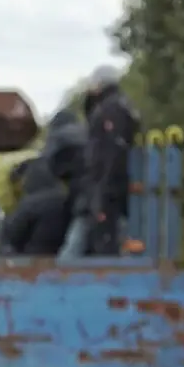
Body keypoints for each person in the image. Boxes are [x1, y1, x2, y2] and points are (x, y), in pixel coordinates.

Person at [59, 65, 141, 258]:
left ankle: (62, 274)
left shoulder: (109, 110)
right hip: (108, 188)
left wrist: (102, 192)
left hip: (104, 188)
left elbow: (109, 153)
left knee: (97, 241)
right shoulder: (119, 106)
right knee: (106, 239)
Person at [0, 110, 86, 256]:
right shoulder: (87, 139)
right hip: (83, 205)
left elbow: (8, 238)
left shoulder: (50, 149)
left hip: (33, 252)